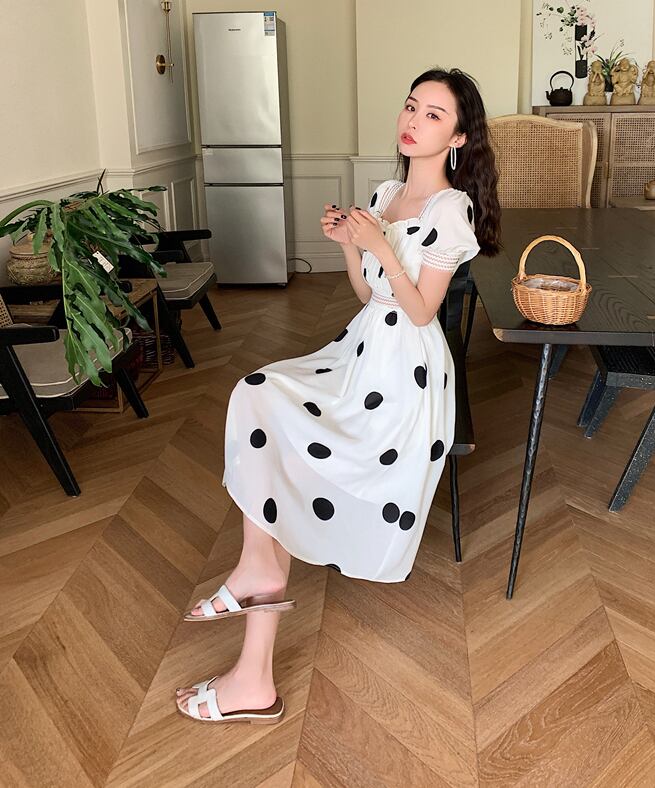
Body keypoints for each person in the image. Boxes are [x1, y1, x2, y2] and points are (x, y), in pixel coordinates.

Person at [175, 67, 501, 724]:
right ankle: (256, 600)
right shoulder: (385, 193)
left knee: (272, 422)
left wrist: (378, 240)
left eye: (434, 115)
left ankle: (253, 650)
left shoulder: (451, 210)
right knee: (258, 398)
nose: (413, 121)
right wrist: (351, 247)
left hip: (404, 377)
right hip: (361, 351)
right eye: (411, 106)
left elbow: (420, 312)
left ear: (459, 137)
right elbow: (369, 294)